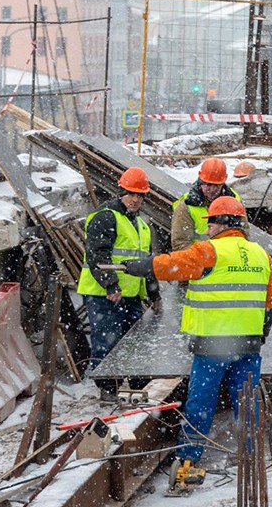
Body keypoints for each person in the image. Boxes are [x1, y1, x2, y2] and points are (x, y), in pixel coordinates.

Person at [123, 196, 272, 474]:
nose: (207, 229)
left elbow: (170, 264)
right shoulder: (260, 254)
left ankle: (189, 455)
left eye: (210, 223)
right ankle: (250, 454)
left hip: (212, 344)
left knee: (201, 403)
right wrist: (259, 335)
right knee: (247, 402)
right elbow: (270, 303)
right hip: (249, 344)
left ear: (220, 224)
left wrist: (138, 266)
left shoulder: (209, 251)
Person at [76, 167, 160, 402]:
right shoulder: (105, 216)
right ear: (120, 191)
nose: (135, 199)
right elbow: (97, 255)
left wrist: (154, 295)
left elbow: (148, 263)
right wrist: (110, 286)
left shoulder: (141, 225)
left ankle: (138, 387)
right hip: (103, 294)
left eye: (140, 195)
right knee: (107, 342)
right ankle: (108, 390)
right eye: (131, 193)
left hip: (130, 294)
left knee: (134, 342)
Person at [171, 158, 240, 251]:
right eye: (208, 184)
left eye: (216, 185)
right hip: (200, 261)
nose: (212, 190)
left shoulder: (234, 200)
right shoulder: (186, 206)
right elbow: (180, 243)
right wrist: (207, 257)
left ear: (223, 183)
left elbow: (243, 234)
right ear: (200, 182)